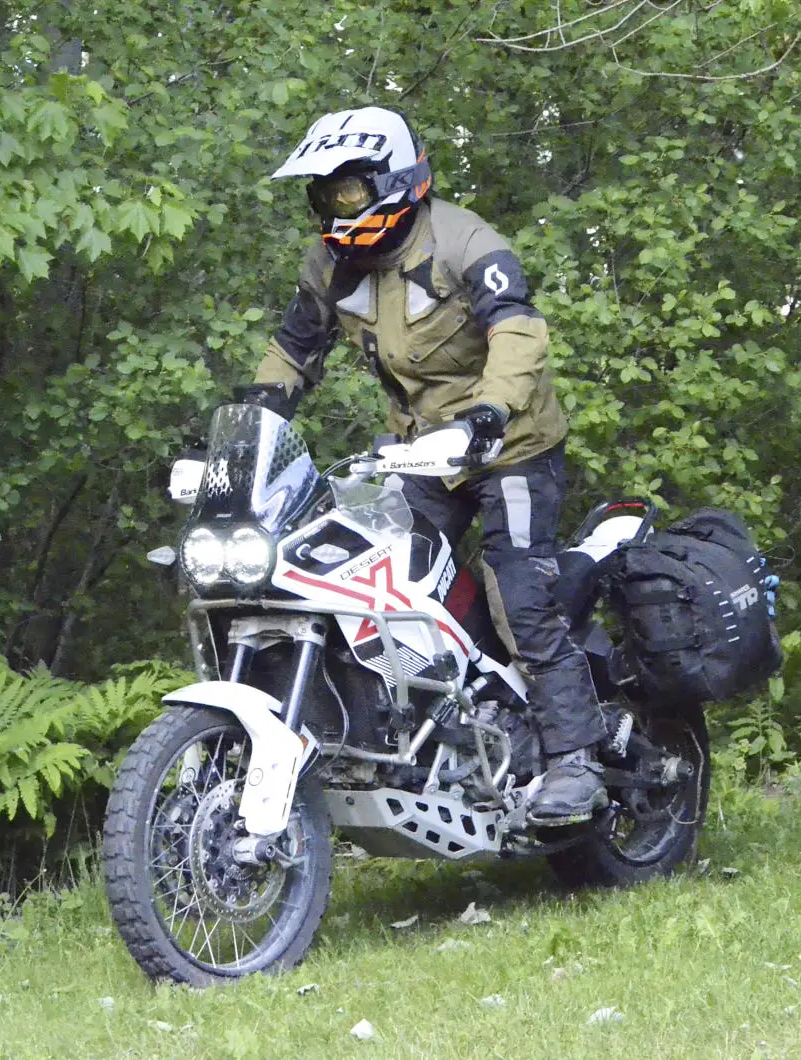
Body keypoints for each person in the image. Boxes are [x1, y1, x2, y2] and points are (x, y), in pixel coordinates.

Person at [245, 106, 607, 825]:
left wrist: (489, 412)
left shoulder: (467, 242)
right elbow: (292, 352)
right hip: (418, 452)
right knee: (377, 577)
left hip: (511, 445)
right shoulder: (331, 264)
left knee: (519, 593)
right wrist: (253, 422)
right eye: (322, 195)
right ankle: (463, 717)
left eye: (346, 191)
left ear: (395, 180)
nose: (333, 208)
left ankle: (576, 758)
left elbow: (520, 332)